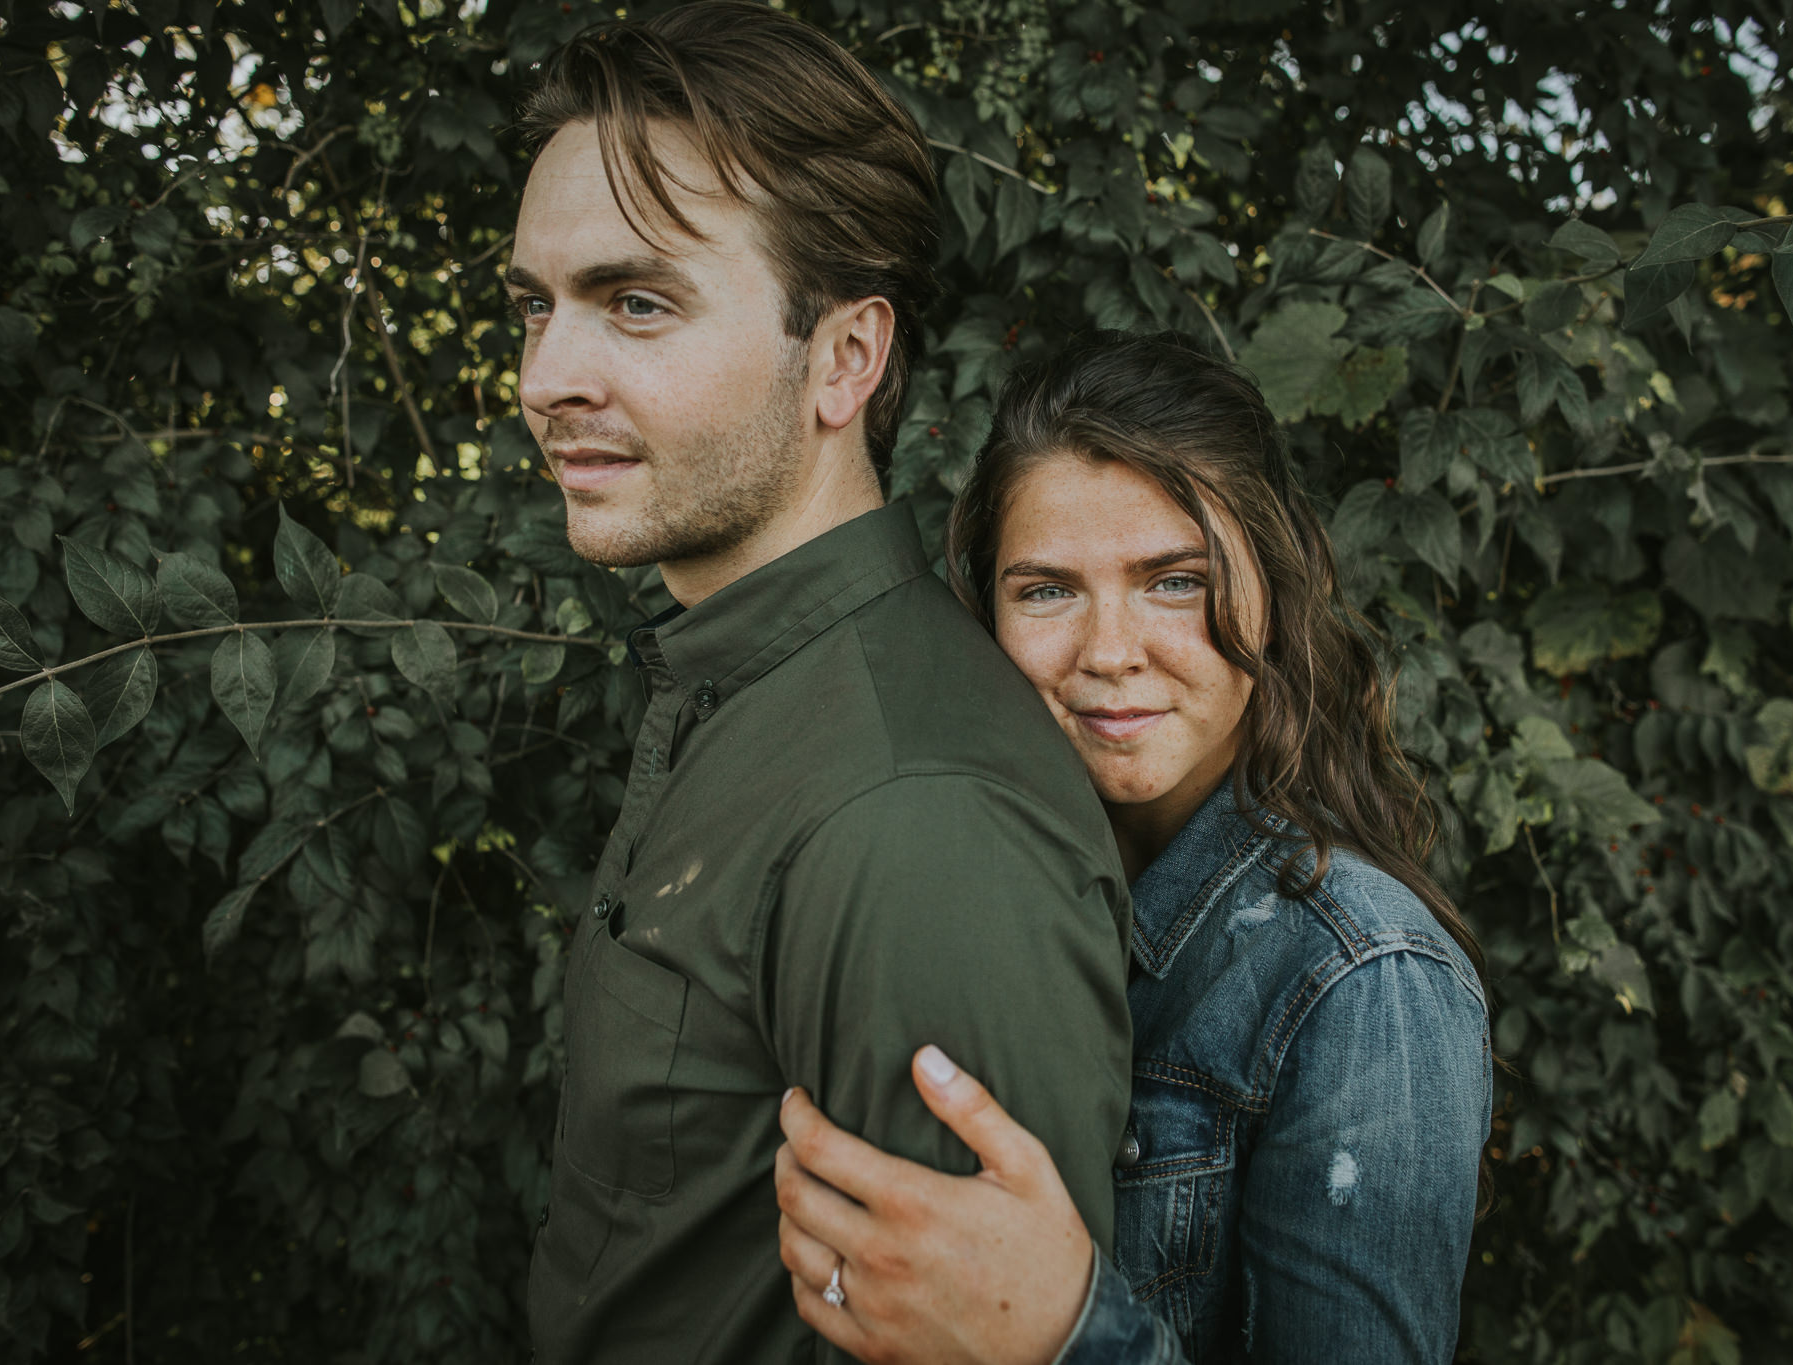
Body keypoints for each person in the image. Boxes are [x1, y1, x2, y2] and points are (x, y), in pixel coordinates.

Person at [509, 9, 1135, 1363]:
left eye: (637, 302)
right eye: (535, 306)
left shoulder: (911, 815)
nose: (546, 377)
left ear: (845, 358)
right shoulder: (735, 678)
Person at [772, 332, 1493, 1363]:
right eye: (1047, 590)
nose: (1109, 652)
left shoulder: (1365, 978)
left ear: (1272, 590)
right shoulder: (979, 885)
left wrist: (1062, 1332)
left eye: (1174, 582)